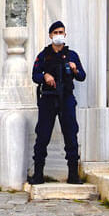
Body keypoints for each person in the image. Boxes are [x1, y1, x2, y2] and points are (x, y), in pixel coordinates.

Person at [29, 20, 86, 185]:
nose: (58, 35)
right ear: (50, 35)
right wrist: (45, 76)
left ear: (65, 35)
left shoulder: (71, 55)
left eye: (61, 32)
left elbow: (82, 76)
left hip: (66, 99)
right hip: (48, 99)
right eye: (56, 33)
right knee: (43, 135)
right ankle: (38, 174)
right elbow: (35, 75)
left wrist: (75, 69)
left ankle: (73, 175)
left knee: (71, 135)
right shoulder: (43, 55)